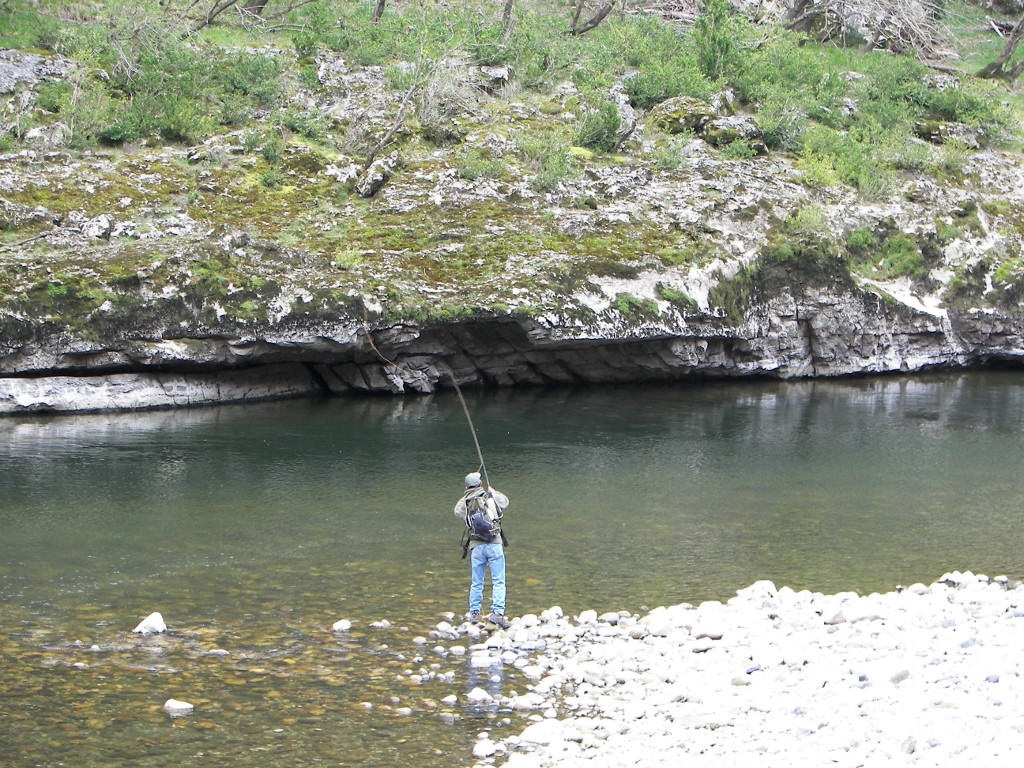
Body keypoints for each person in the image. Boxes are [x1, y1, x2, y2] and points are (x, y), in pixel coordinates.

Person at [454, 471, 510, 629]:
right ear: (480, 484)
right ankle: (497, 614)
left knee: (477, 582)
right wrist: (493, 492)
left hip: (476, 546)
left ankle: (474, 614)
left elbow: (457, 511)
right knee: (498, 581)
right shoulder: (489, 497)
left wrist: (467, 495)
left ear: (466, 487)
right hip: (494, 544)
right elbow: (505, 502)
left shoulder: (465, 502)